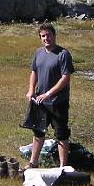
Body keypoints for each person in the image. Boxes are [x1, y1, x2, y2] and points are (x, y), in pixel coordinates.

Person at [24, 22, 74, 169]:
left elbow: (65, 78)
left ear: (54, 35)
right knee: (38, 132)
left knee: (61, 134)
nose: (46, 38)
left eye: (49, 35)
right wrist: (31, 90)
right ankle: (33, 163)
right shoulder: (38, 53)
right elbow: (34, 72)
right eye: (43, 36)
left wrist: (49, 93)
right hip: (40, 101)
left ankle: (63, 167)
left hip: (58, 102)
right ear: (40, 38)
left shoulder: (63, 54)